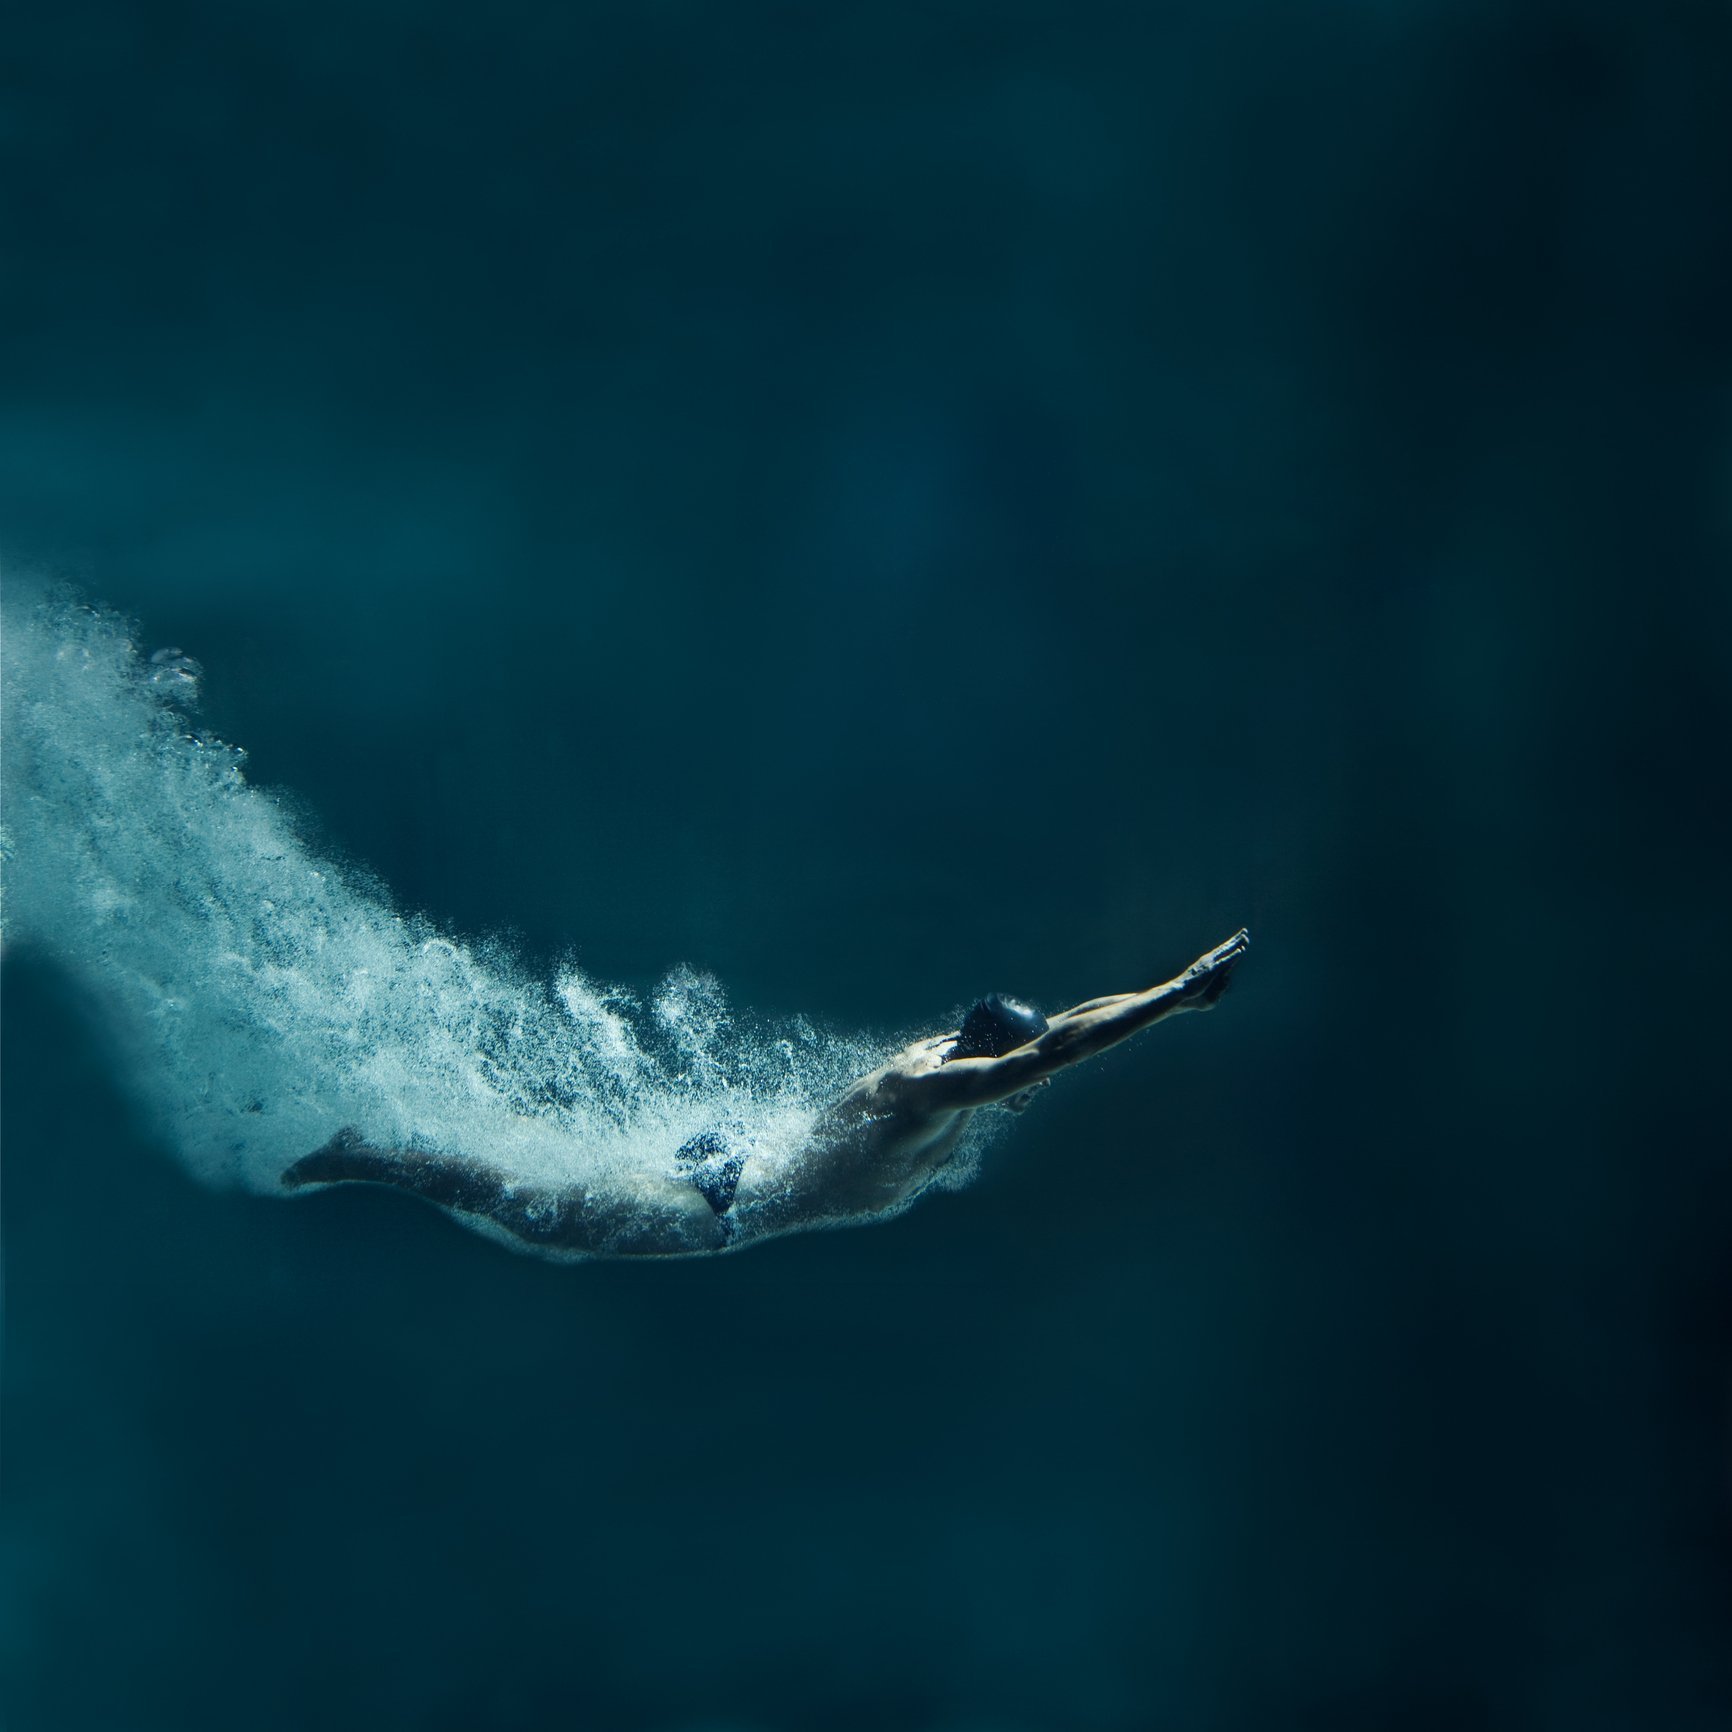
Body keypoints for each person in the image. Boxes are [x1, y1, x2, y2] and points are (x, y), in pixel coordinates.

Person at [282, 927, 1250, 1258]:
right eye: (1018, 1075)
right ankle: (364, 1153)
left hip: (738, 1160)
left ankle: (409, 1144)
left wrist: (1168, 991)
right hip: (721, 1204)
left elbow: (1062, 1028)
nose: (1029, 1089)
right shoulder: (931, 1087)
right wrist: (1169, 999)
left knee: (562, 1190)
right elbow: (1049, 1056)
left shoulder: (952, 1050)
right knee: (535, 1217)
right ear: (988, 1062)